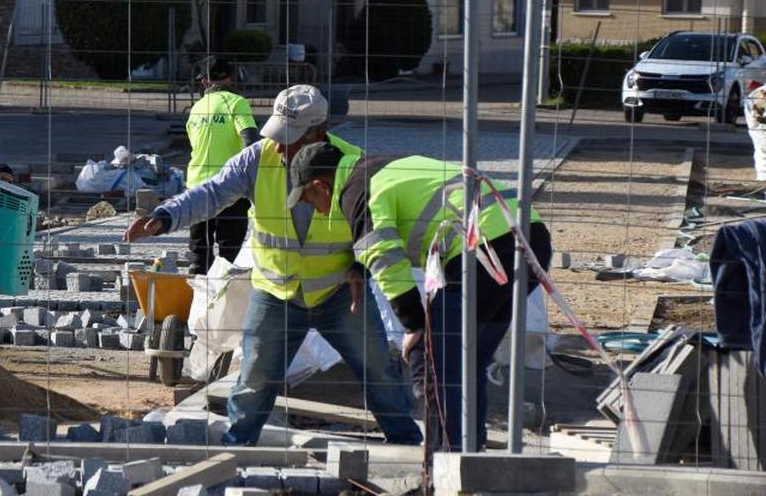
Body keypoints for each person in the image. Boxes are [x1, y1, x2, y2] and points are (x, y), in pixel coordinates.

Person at [124, 85, 421, 446]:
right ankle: (236, 446)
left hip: (340, 295)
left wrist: (361, 268)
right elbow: (212, 192)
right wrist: (166, 216)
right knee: (254, 379)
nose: (280, 146)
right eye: (277, 134)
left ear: (319, 133)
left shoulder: (352, 165)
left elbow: (371, 226)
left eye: (291, 138)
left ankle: (407, 445)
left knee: (380, 372)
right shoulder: (257, 159)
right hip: (275, 293)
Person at [284, 141, 553, 453]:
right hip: (528, 236)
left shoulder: (356, 190)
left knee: (432, 363)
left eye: (310, 198)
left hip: (482, 251)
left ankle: (444, 469)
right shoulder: (387, 162)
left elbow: (384, 256)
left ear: (320, 185)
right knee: (469, 361)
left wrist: (414, 326)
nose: (315, 208)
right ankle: (471, 458)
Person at [184, 56, 257, 274]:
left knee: (200, 251)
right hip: (229, 185)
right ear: (231, 78)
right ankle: (222, 295)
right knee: (229, 250)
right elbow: (251, 142)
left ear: (205, 82)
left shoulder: (195, 108)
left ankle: (198, 297)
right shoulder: (236, 103)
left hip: (197, 187)